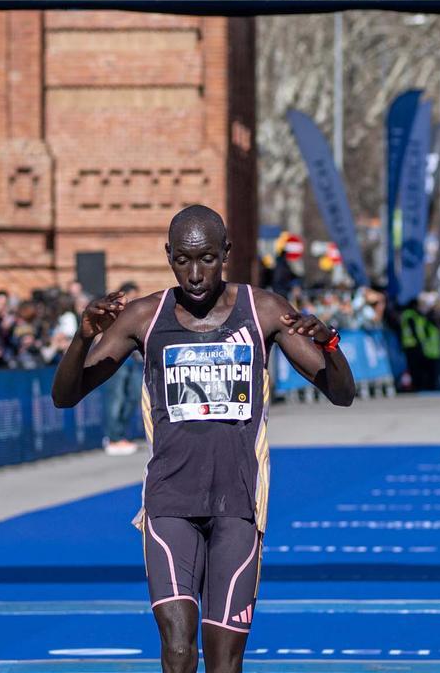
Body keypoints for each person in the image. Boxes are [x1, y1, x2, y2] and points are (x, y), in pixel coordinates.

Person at [53, 205, 355, 673]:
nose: (195, 274)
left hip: (238, 504)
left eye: (208, 259)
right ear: (169, 255)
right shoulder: (143, 317)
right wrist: (81, 339)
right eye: (183, 260)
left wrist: (330, 346)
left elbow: (341, 395)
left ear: (227, 254)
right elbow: (66, 396)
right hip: (170, 501)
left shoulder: (265, 310)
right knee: (176, 651)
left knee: (223, 663)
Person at [101, 281, 143, 456]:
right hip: (116, 360)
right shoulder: (114, 312)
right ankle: (113, 438)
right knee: (116, 397)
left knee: (134, 396)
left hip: (133, 359)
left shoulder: (136, 314)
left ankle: (121, 435)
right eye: (132, 295)